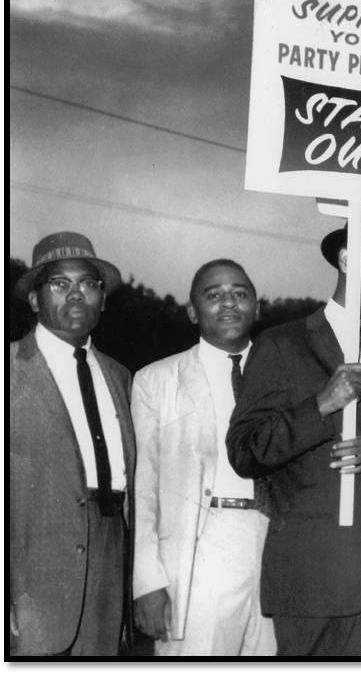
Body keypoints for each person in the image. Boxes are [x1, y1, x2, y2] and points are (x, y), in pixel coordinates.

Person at [226, 205, 361, 656]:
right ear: (345, 259)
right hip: (317, 575)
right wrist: (321, 405)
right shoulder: (283, 344)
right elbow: (245, 451)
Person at [131, 259, 275, 655]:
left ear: (257, 307)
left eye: (240, 293)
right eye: (214, 295)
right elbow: (142, 490)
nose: (228, 303)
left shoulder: (285, 375)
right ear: (193, 311)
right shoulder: (156, 380)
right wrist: (147, 581)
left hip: (276, 545)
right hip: (202, 549)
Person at [9, 231, 136, 656]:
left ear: (102, 298)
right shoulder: (11, 370)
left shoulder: (121, 376)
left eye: (88, 283)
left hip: (109, 555)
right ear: (33, 300)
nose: (76, 294)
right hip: (33, 570)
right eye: (60, 283)